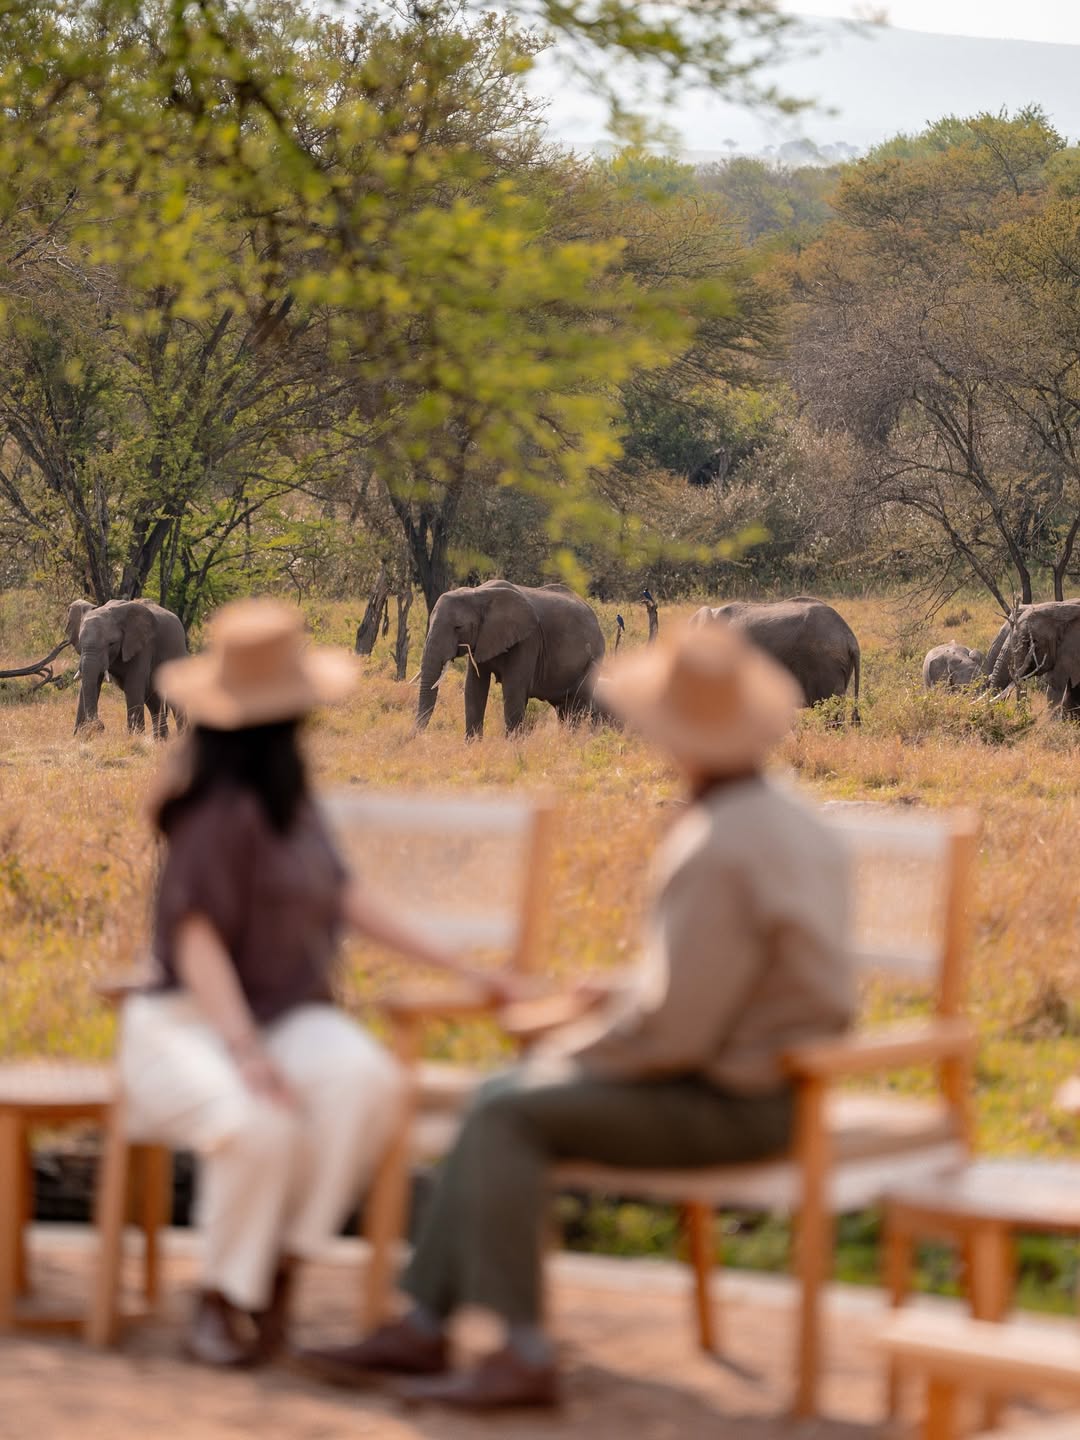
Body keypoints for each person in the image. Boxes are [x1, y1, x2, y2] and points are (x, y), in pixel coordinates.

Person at [297, 620, 855, 1410]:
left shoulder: (714, 844)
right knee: (505, 1097)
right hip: (771, 1079)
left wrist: (566, 1041)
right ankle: (425, 1324)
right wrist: (620, 994)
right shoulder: (796, 820)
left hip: (732, 1098)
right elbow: (736, 977)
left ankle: (516, 1350)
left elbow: (676, 1034)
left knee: (505, 1110)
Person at [119, 598, 504, 1368]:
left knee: (365, 1083)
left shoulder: (294, 804)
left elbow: (347, 898)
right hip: (191, 1021)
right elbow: (194, 940)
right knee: (258, 1122)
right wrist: (244, 1053)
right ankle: (223, 1298)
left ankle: (281, 1269)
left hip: (286, 1015)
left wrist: (463, 967)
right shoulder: (211, 810)